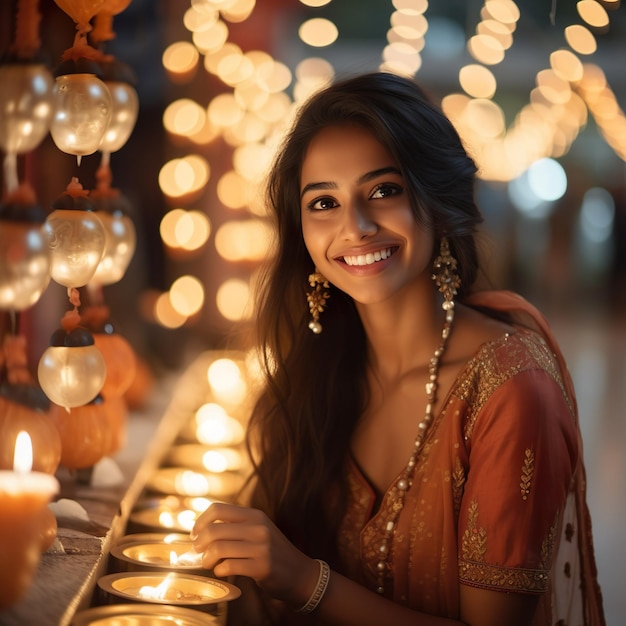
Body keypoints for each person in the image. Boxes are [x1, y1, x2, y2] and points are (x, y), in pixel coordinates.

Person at [190, 72, 605, 626]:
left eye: (384, 191)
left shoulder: (511, 389)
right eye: (323, 202)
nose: (355, 227)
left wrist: (304, 581)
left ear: (437, 199)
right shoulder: (321, 364)